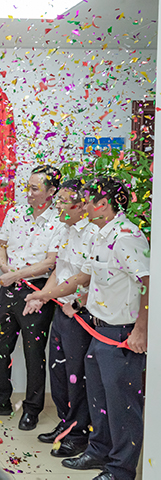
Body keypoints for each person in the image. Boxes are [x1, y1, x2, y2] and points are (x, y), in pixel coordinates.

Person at [61, 177, 149, 480]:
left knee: (122, 404)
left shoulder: (126, 237)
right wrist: (75, 299)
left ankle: (121, 470)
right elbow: (94, 277)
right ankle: (99, 451)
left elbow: (148, 283)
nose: (83, 205)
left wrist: (141, 331)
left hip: (121, 333)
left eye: (88, 201)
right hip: (99, 330)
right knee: (99, 398)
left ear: (103, 204)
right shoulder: (101, 234)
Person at [0, 165, 62, 431]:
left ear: (51, 191)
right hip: (9, 286)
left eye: (35, 188)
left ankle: (32, 408)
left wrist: (17, 274)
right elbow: (0, 246)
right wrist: (6, 268)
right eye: (28, 187)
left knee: (34, 352)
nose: (29, 193)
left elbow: (50, 262)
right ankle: (0, 398)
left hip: (37, 291)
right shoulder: (15, 213)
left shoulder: (59, 221)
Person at [23, 179, 98, 457]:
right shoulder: (64, 229)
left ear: (81, 206)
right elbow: (60, 270)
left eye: (63, 202)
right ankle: (65, 424)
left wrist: (47, 295)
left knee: (77, 376)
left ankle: (78, 434)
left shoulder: (92, 233)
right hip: (61, 309)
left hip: (79, 312)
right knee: (60, 372)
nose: (58, 207)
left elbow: (83, 278)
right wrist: (43, 296)